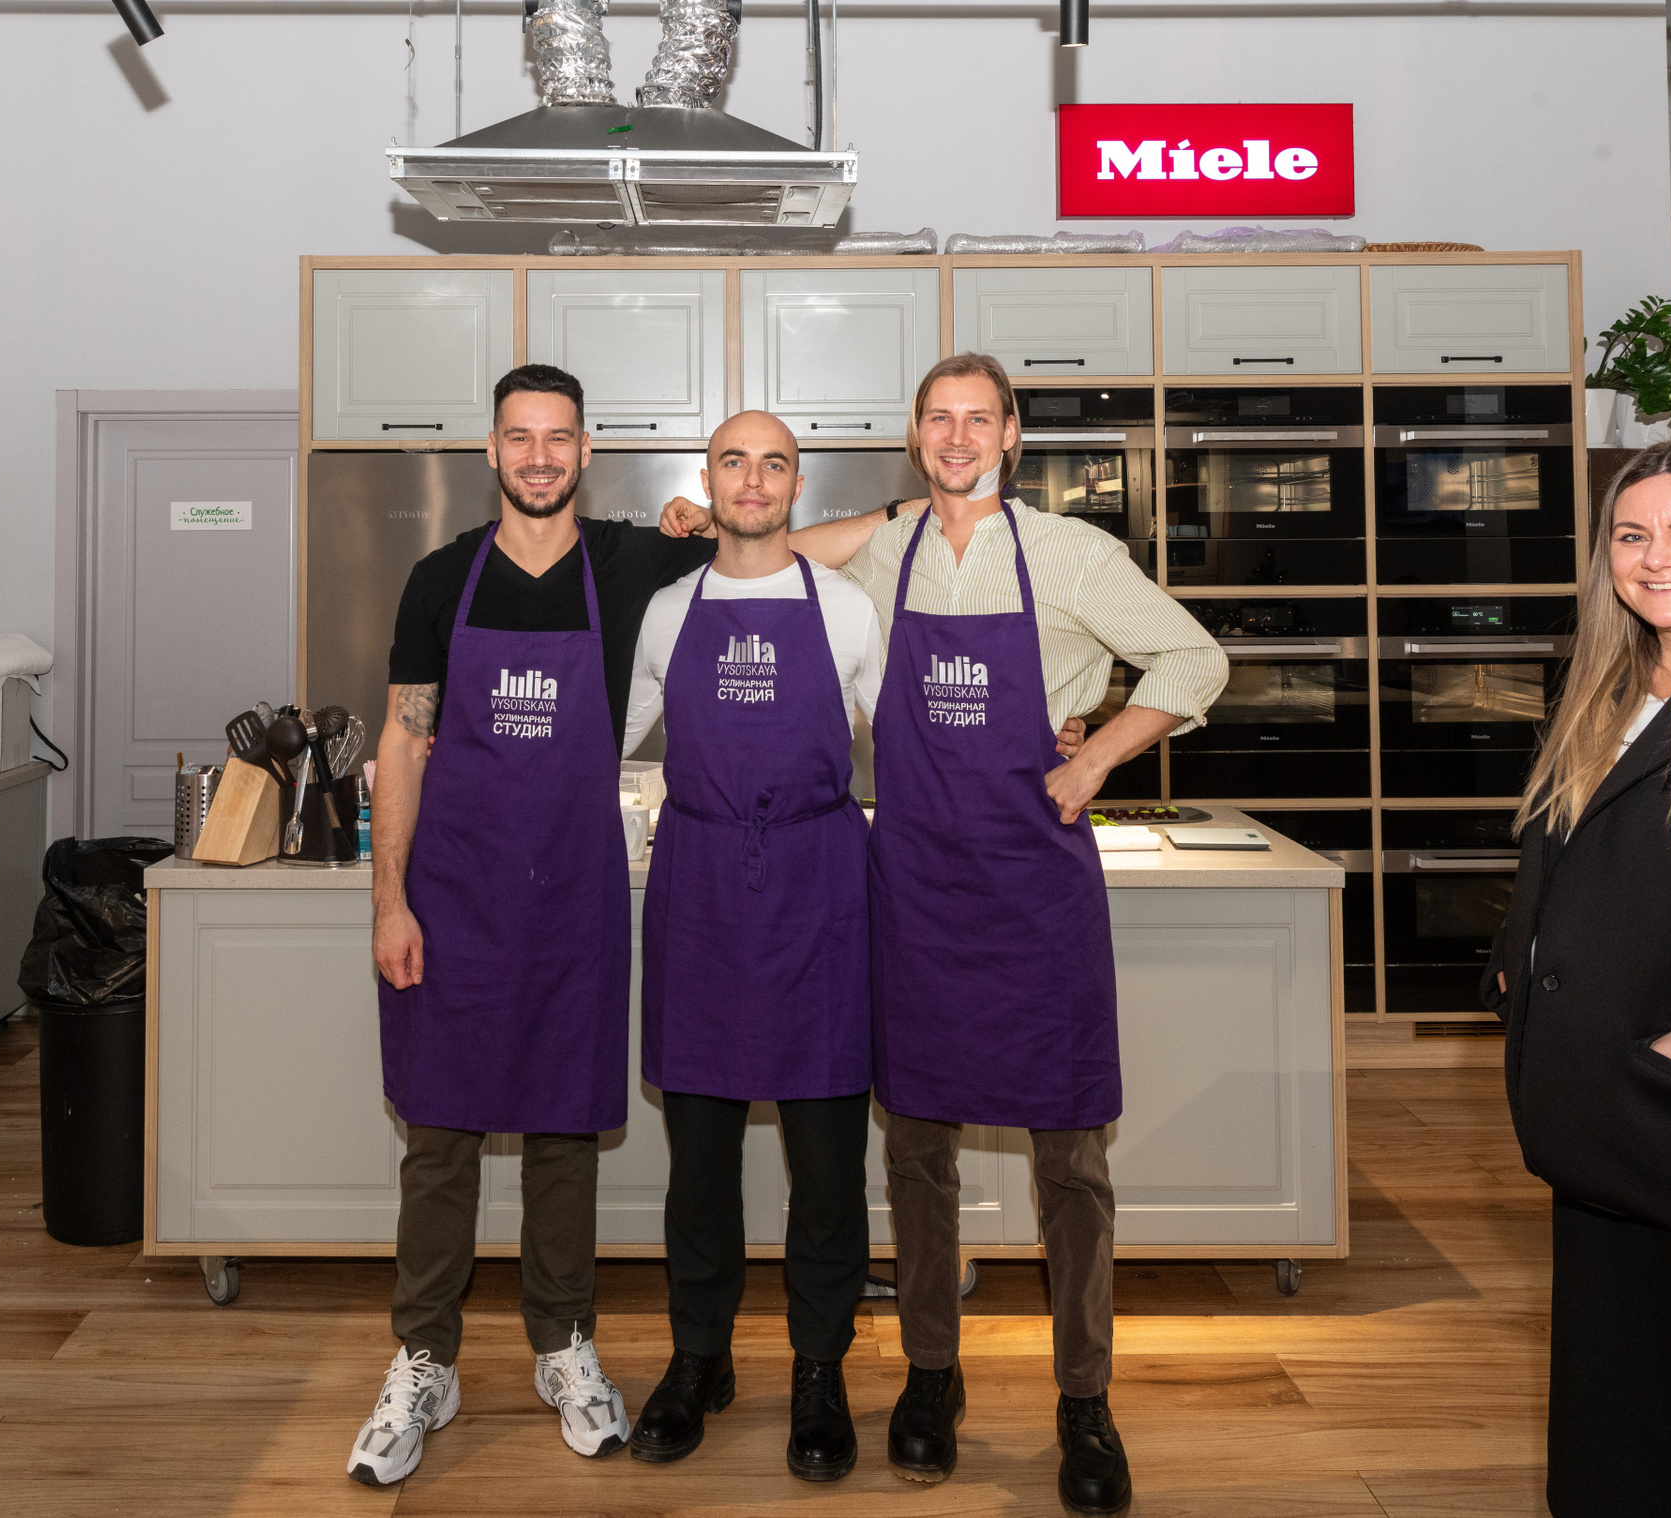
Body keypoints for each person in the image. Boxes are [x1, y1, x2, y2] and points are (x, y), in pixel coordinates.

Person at [662, 352, 1227, 1515]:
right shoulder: (887, 552)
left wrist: (1094, 755)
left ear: (1012, 433)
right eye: (938, 419)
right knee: (917, 1152)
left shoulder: (1070, 554)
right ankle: (931, 1375)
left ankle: (1085, 1400)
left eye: (979, 419)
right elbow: (770, 548)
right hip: (914, 888)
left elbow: (1195, 658)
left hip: (1036, 890)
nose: (959, 437)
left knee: (1072, 1162)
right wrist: (699, 519)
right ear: (916, 435)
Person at [347, 364, 716, 1487]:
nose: (540, 456)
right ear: (492, 451)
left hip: (571, 901)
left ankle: (563, 1345)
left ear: (586, 450)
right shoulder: (440, 578)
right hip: (453, 895)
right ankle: (425, 1359)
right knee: (440, 1134)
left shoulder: (627, 564)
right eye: (521, 437)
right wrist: (390, 901)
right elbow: (403, 740)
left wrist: (710, 518)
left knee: (565, 1132)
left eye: (559, 437)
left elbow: (772, 540)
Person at [1483, 440, 1671, 1518]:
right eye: (1633, 534)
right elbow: (1576, 852)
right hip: (1604, 1119)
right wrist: (1515, 963)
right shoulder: (1609, 683)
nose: (1658, 559)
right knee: (1639, 1411)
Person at [620, 410, 883, 1481]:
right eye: (735, 461)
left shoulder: (849, 609)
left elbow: (910, 746)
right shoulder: (667, 611)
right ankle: (700, 1357)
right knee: (699, 1160)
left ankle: (820, 1367)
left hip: (821, 889)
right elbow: (607, 741)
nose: (754, 479)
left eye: (774, 463)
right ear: (710, 480)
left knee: (827, 1160)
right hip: (701, 889)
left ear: (795, 486)